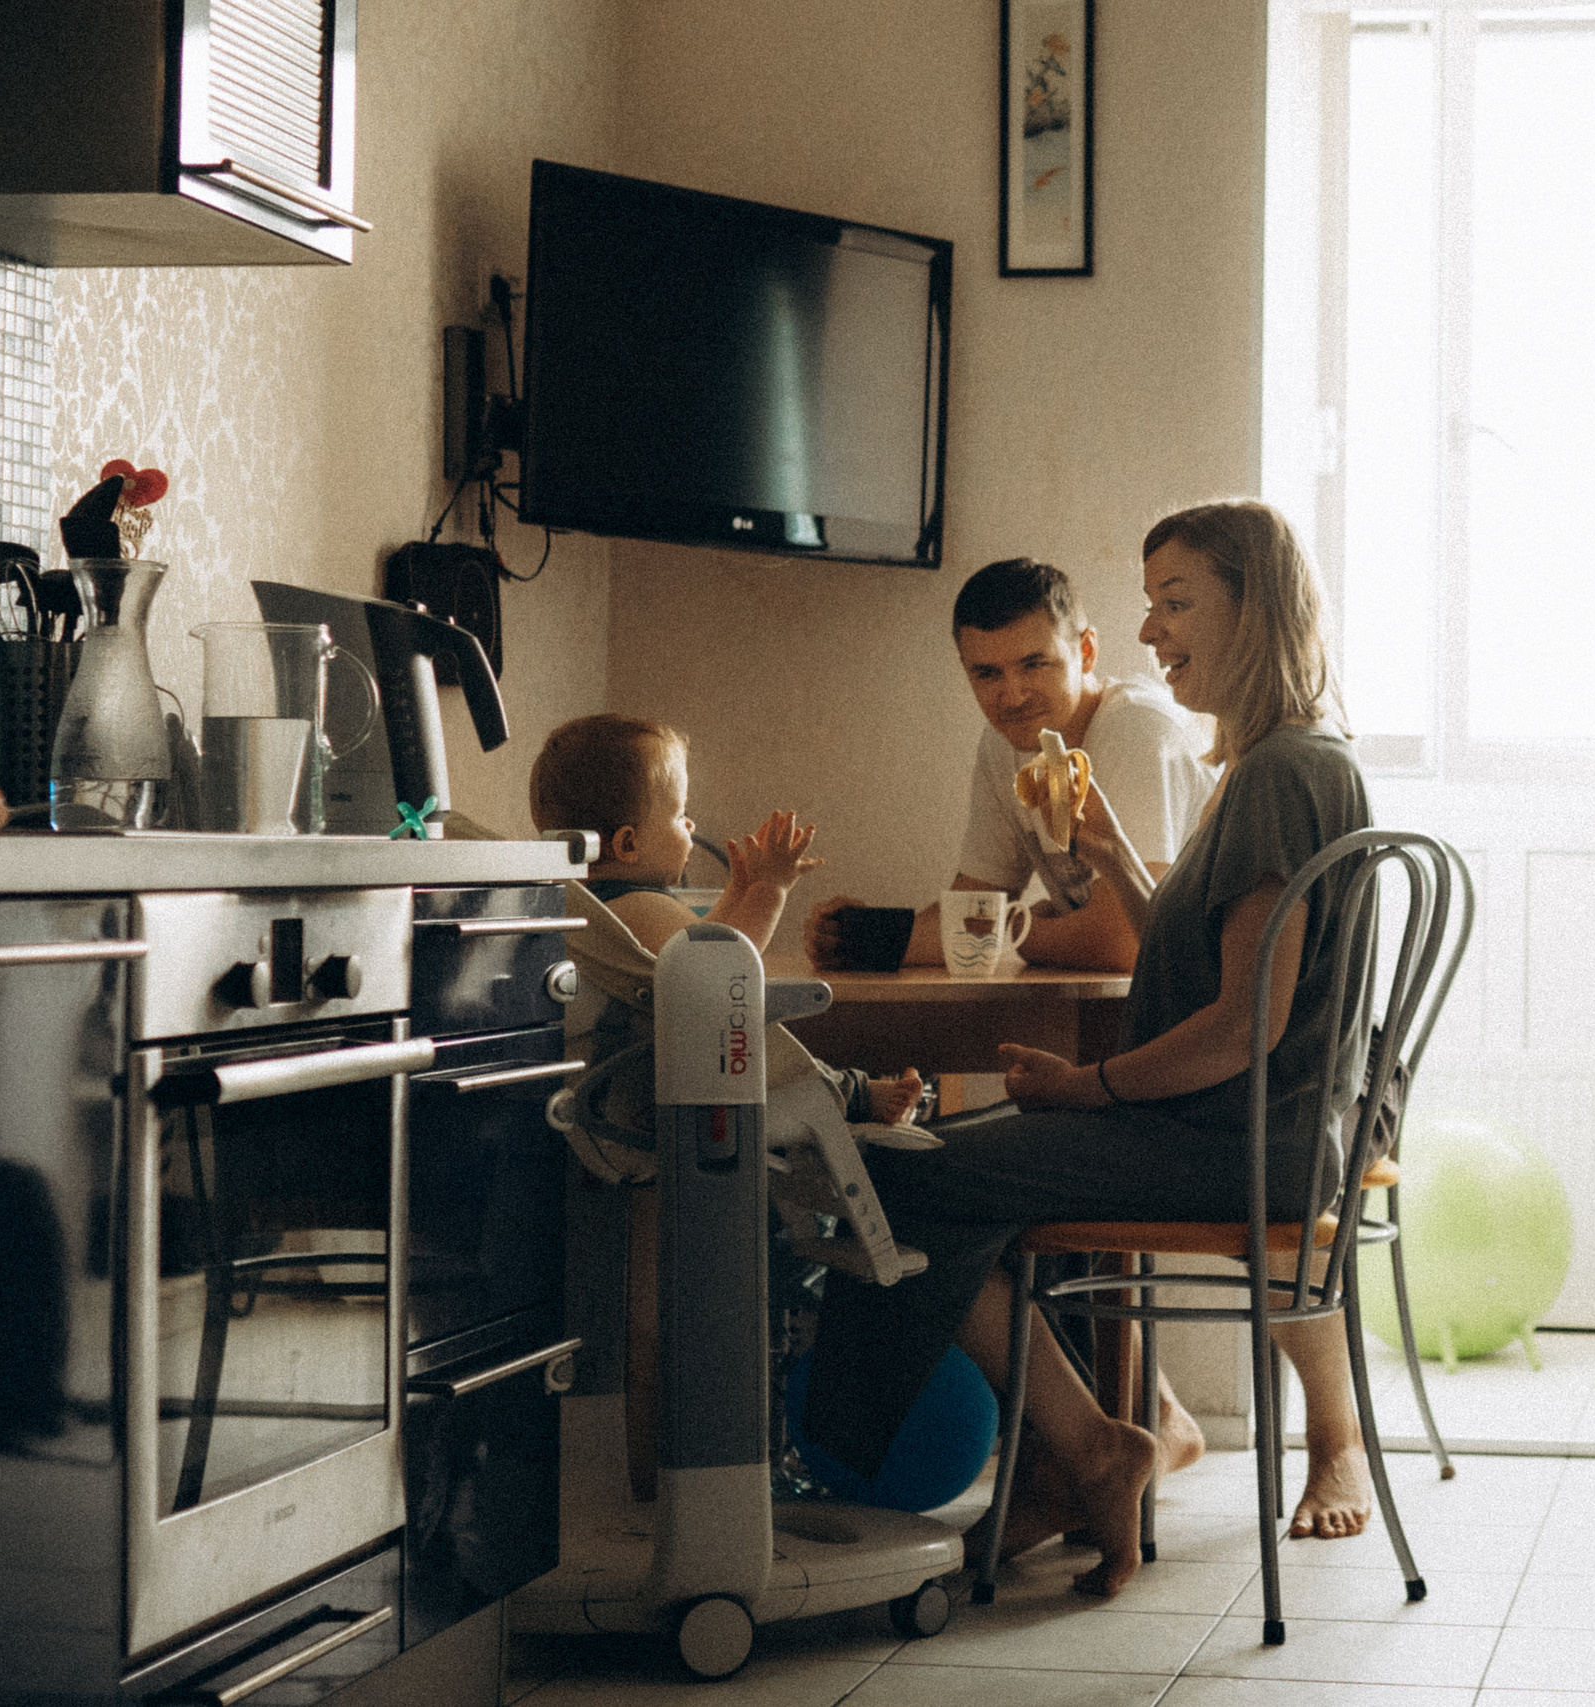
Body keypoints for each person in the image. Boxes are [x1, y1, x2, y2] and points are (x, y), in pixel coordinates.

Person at [802, 500, 1382, 1599]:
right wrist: (1116, 853)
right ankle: (1083, 1451)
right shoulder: (1293, 763)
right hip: (1249, 1130)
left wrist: (1090, 1085)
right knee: (951, 1165)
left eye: (1176, 603)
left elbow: (1241, 1025)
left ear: (1250, 609)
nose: (1155, 632)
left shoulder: (1275, 776)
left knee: (892, 1168)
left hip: (1232, 1140)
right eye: (1150, 605)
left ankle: (1081, 1450)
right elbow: (1211, 960)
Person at [806, 557, 1215, 975]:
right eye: (987, 674)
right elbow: (974, 911)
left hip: (1204, 1004)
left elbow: (1123, 944)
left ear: (1086, 651)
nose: (1013, 696)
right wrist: (867, 937)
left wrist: (1025, 930)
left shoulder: (1137, 729)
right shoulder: (1006, 742)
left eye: (1034, 664)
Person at [527, 712, 924, 1122]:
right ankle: (857, 1095)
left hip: (652, 1068)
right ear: (628, 843)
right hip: (681, 1079)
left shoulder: (597, 907)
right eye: (680, 815)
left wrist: (739, 892)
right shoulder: (635, 905)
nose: (691, 824)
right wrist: (772, 889)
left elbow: (702, 941)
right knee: (759, 1045)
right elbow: (727, 966)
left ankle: (856, 1089)